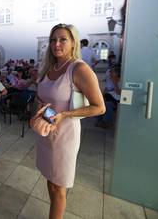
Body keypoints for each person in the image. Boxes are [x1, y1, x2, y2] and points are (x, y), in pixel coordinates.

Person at [30, 24, 105, 219]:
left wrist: (65, 115)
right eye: (53, 40)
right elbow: (44, 96)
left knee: (59, 187)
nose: (57, 44)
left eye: (63, 39)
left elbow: (99, 107)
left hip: (65, 137)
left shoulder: (78, 68)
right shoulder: (49, 67)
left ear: (73, 43)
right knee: (50, 179)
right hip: (46, 132)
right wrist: (40, 106)